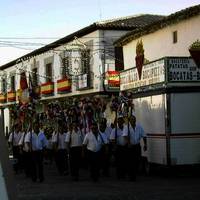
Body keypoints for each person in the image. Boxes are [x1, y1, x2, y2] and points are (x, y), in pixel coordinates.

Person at [123, 115, 147, 181]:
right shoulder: (127, 127)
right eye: (131, 119)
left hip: (137, 146)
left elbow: (144, 135)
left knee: (137, 161)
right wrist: (129, 143)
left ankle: (134, 173)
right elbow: (125, 136)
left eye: (134, 119)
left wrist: (145, 144)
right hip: (130, 147)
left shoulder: (139, 126)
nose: (133, 120)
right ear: (129, 120)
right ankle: (131, 175)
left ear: (135, 120)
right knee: (130, 161)